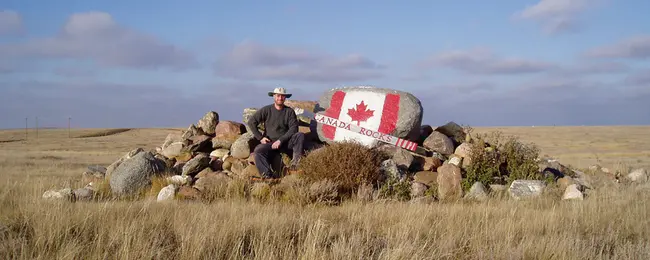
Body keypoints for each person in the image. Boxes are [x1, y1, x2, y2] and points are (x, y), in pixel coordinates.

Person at [247, 87, 305, 179]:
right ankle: (267, 176)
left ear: (285, 98)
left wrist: (280, 140)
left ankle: (295, 166)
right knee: (258, 151)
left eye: (282, 96)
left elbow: (294, 129)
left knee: (300, 136)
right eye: (278, 96)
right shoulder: (266, 110)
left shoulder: (289, 112)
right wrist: (260, 138)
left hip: (285, 143)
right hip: (270, 143)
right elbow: (251, 122)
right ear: (274, 96)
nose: (280, 98)